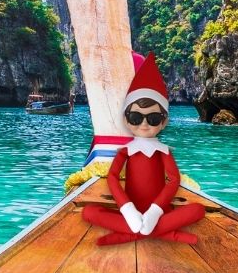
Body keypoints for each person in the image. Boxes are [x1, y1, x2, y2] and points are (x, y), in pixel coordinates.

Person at [82, 52, 205, 246]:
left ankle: (131, 234)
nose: (145, 124)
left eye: (153, 119)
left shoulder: (163, 151)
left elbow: (174, 180)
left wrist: (155, 211)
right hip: (131, 211)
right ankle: (161, 232)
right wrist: (127, 209)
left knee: (198, 210)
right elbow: (113, 178)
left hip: (159, 212)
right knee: (88, 212)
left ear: (163, 122)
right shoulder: (126, 151)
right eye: (136, 118)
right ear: (126, 120)